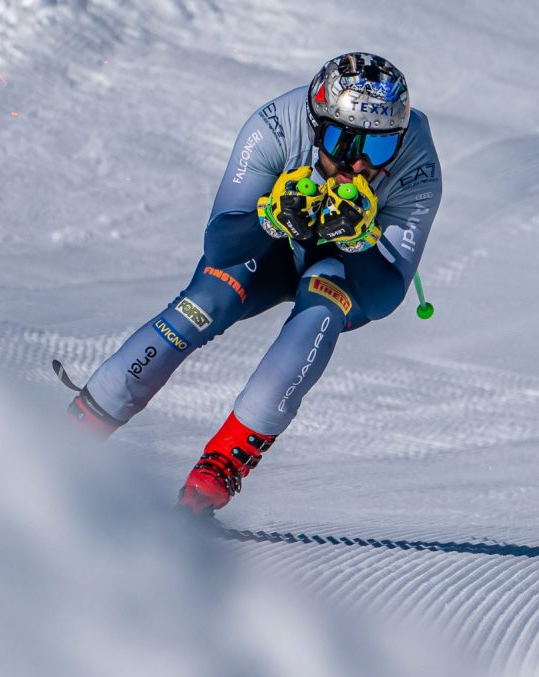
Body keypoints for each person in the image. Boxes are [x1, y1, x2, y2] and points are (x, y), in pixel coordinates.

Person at [67, 52, 442, 516]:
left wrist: (362, 240)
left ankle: (220, 465)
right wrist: (268, 217)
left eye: (380, 149)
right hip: (267, 251)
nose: (359, 164)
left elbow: (383, 296)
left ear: (399, 141)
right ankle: (72, 437)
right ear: (313, 125)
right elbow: (222, 246)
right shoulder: (275, 126)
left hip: (343, 268)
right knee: (209, 298)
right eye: (341, 142)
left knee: (324, 300)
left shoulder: (419, 165)